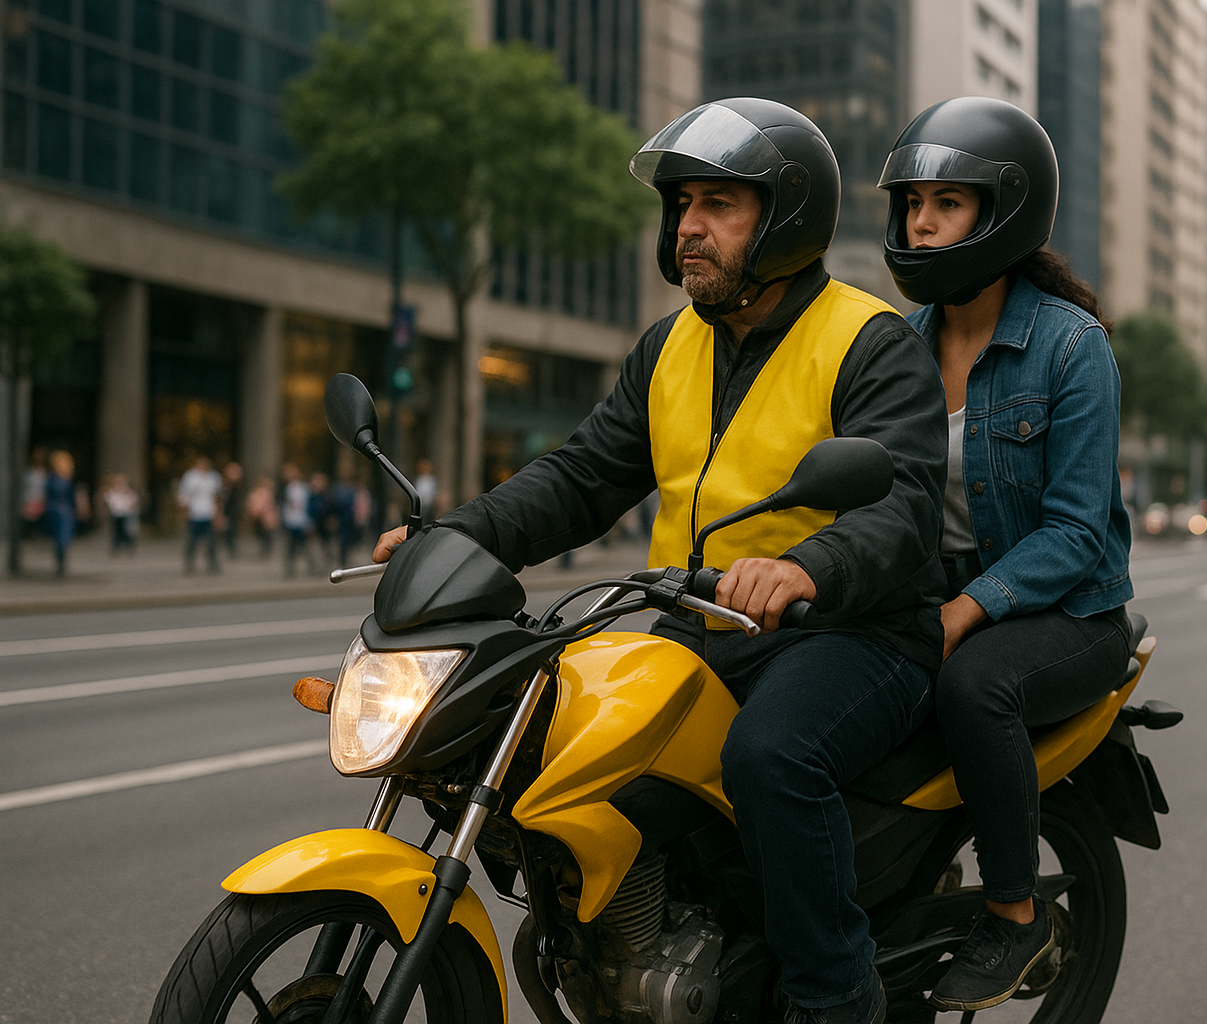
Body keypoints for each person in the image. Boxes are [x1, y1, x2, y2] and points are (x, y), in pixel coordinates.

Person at [373, 98, 948, 1024]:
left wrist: (806, 566)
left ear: (786, 218)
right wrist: (459, 536)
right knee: (560, 748)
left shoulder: (868, 341)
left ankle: (834, 994)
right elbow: (582, 476)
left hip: (851, 632)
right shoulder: (670, 346)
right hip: (698, 625)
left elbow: (903, 503)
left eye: (719, 204)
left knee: (770, 756)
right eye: (682, 205)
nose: (688, 227)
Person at [877, 97, 1136, 1012]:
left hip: (1068, 612)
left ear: (1004, 215)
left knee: (974, 686)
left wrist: (968, 607)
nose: (921, 222)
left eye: (946, 203)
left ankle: (1015, 915)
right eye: (913, 203)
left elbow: (1077, 532)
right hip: (937, 598)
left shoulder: (1070, 347)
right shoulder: (899, 348)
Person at [177, 456, 223, 573]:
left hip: (209, 513)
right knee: (192, 540)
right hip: (194, 513)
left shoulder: (213, 477)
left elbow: (218, 496)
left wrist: (218, 513)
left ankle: (212, 563)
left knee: (211, 541)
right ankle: (189, 563)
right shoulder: (190, 477)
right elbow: (184, 495)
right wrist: (183, 511)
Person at [43, 450, 77, 576]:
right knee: (61, 538)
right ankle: (61, 564)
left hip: (62, 511)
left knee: (62, 539)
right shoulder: (56, 480)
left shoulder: (55, 479)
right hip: (60, 512)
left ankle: (61, 564)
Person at [280, 463, 312, 577]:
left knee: (305, 547)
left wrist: (308, 521)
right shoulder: (287, 488)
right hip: (290, 522)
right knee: (290, 548)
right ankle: (289, 569)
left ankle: (312, 567)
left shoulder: (303, 488)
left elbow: (307, 505)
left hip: (301, 522)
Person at [101, 474, 140, 554]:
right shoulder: (112, 493)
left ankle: (128, 545)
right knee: (116, 532)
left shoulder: (129, 493)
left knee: (126, 531)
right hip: (116, 515)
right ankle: (116, 547)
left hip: (126, 515)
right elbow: (109, 501)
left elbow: (133, 502)